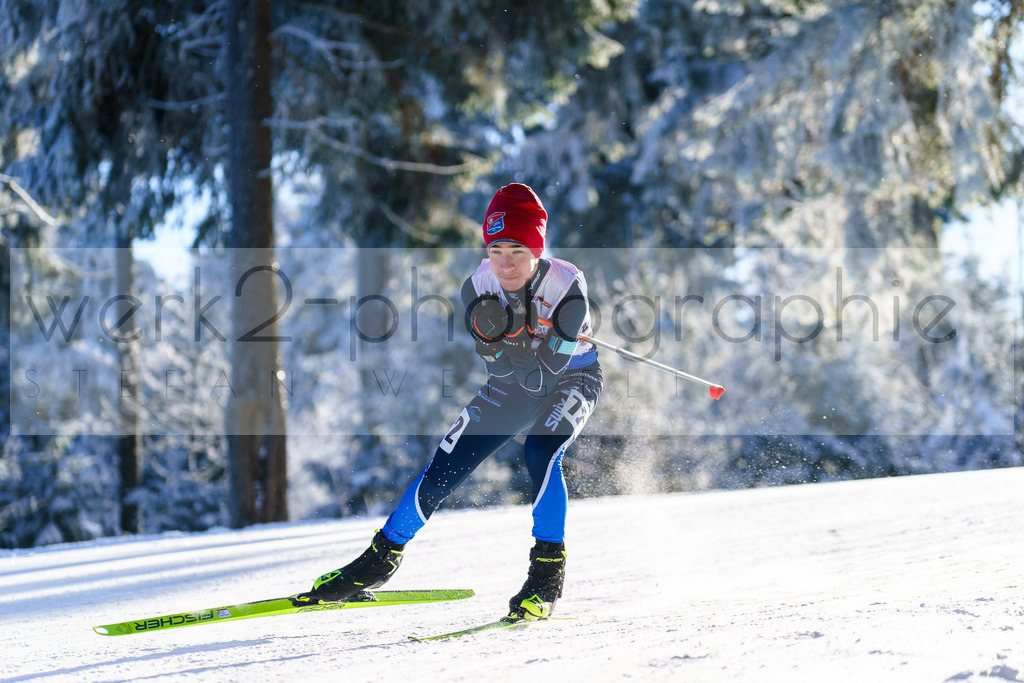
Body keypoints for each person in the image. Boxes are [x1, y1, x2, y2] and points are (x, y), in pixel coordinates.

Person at [306, 183, 603, 620]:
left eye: (517, 252)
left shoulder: (567, 287)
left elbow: (543, 381)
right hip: (516, 382)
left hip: (572, 377)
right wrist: (507, 343)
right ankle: (380, 558)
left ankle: (546, 576)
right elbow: (503, 376)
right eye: (495, 251)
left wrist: (515, 338)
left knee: (541, 450)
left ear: (537, 250)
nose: (505, 265)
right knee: (446, 463)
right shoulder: (478, 287)